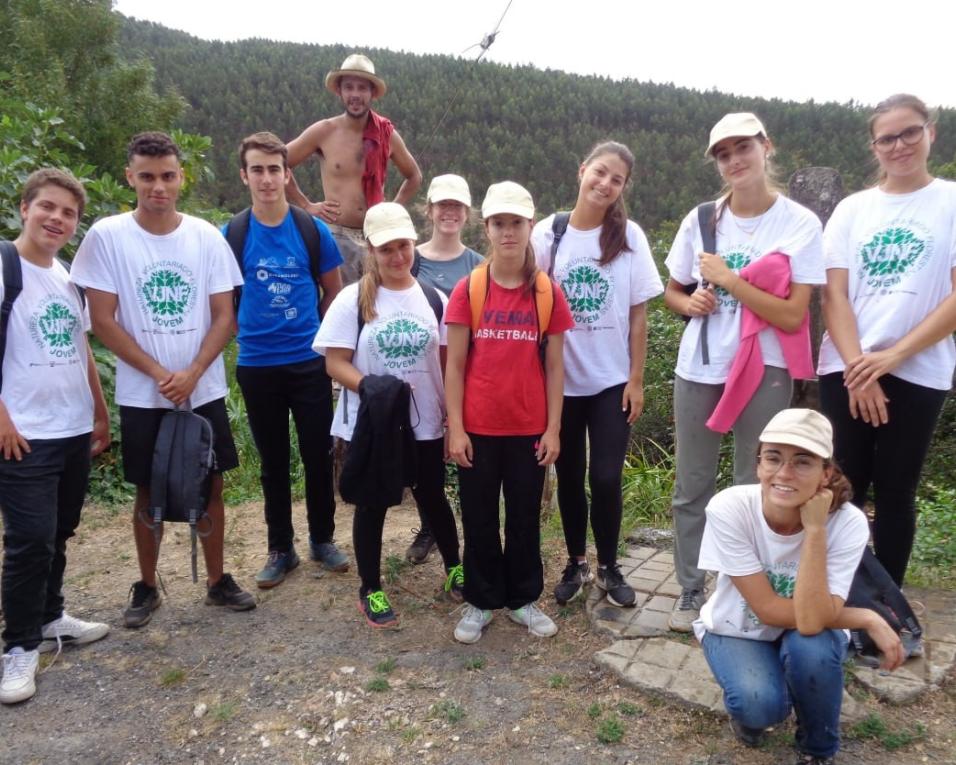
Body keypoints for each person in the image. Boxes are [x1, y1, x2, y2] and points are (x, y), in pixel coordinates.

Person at [72, 131, 255, 628]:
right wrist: (159, 374)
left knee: (211, 485)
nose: (158, 187)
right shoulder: (107, 237)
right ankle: (147, 585)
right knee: (148, 490)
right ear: (130, 176)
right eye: (147, 177)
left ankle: (217, 581)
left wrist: (192, 372)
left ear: (180, 178)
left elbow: (225, 316)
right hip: (142, 392)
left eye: (168, 176)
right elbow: (103, 319)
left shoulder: (205, 237)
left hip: (205, 387)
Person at [663, 113, 825, 632]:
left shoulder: (798, 223)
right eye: (723, 153)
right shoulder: (703, 219)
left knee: (754, 486)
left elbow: (793, 314)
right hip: (701, 366)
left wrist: (729, 279)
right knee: (692, 485)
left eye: (743, 148)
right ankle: (690, 589)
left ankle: (739, 594)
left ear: (765, 147)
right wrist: (691, 305)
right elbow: (673, 290)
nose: (734, 160)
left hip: (765, 370)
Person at [695, 408, 904, 765]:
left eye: (803, 462)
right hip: (738, 627)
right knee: (760, 705)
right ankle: (766, 697)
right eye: (773, 458)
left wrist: (816, 530)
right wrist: (866, 618)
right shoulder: (730, 508)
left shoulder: (847, 523)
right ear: (759, 464)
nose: (784, 473)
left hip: (812, 632)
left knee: (813, 650)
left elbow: (811, 624)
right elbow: (769, 610)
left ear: (826, 473)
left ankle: (817, 750)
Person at [818, 94, 956, 586]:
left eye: (909, 133)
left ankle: (887, 601)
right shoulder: (854, 210)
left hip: (919, 368)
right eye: (887, 138)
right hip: (846, 369)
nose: (899, 145)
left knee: (898, 491)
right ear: (874, 146)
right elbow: (833, 294)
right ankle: (840, 594)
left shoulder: (950, 201)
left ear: (930, 132)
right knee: (842, 486)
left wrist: (892, 357)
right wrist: (859, 368)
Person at [314, 202, 463, 629]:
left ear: (413, 244)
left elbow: (450, 363)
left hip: (426, 421)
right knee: (374, 502)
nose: (398, 257)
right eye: (386, 250)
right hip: (375, 423)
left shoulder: (435, 299)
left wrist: (455, 417)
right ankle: (370, 587)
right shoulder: (352, 300)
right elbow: (334, 362)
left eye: (403, 246)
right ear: (371, 252)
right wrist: (372, 387)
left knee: (433, 495)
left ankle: (455, 566)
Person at [532, 141, 663, 608]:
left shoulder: (630, 237)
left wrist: (636, 378)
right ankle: (576, 561)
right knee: (568, 475)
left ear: (623, 187)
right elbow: (531, 301)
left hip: (611, 381)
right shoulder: (551, 232)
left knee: (606, 476)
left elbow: (639, 315)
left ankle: (609, 565)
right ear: (582, 169)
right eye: (600, 173)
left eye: (617, 179)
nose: (605, 184)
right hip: (560, 383)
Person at [446, 181, 574, 644]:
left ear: (529, 226)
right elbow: (455, 364)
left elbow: (556, 365)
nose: (507, 233)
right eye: (499, 224)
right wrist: (455, 428)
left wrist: (554, 429)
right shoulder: (469, 290)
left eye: (515, 223)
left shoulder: (546, 293)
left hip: (528, 428)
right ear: (487, 228)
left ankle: (522, 597)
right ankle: (480, 600)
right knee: (479, 516)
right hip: (477, 427)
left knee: (522, 516)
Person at [0, 169, 111, 704]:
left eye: (68, 213)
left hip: (71, 427)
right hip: (24, 433)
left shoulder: (67, 278)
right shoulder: (4, 267)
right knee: (29, 540)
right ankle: (18, 646)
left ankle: (49, 617)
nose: (57, 219)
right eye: (47, 207)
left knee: (61, 529)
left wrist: (99, 409)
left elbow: (82, 348)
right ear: (25, 208)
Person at [225, 132, 346, 588]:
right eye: (257, 169)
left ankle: (323, 539)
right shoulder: (232, 234)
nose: (267, 178)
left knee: (318, 454)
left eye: (275, 169)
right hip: (257, 365)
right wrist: (244, 331)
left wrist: (316, 337)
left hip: (307, 362)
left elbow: (333, 291)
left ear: (286, 174)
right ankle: (281, 548)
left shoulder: (310, 230)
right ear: (245, 175)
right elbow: (223, 299)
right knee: (273, 460)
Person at [403, 173, 484, 565]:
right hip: (421, 376)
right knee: (425, 460)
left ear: (467, 213)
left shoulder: (478, 266)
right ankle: (430, 526)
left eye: (457, 206)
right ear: (429, 210)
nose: (449, 213)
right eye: (442, 205)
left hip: (471, 375)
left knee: (471, 459)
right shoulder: (409, 258)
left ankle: (472, 535)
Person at [286, 53, 422, 284]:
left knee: (378, 305)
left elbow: (414, 176)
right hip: (336, 235)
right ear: (340, 91)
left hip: (377, 237)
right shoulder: (324, 131)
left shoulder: (386, 135)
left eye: (362, 88)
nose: (355, 95)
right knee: (339, 305)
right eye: (349, 87)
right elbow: (279, 163)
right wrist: (306, 205)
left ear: (372, 93)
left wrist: (393, 210)